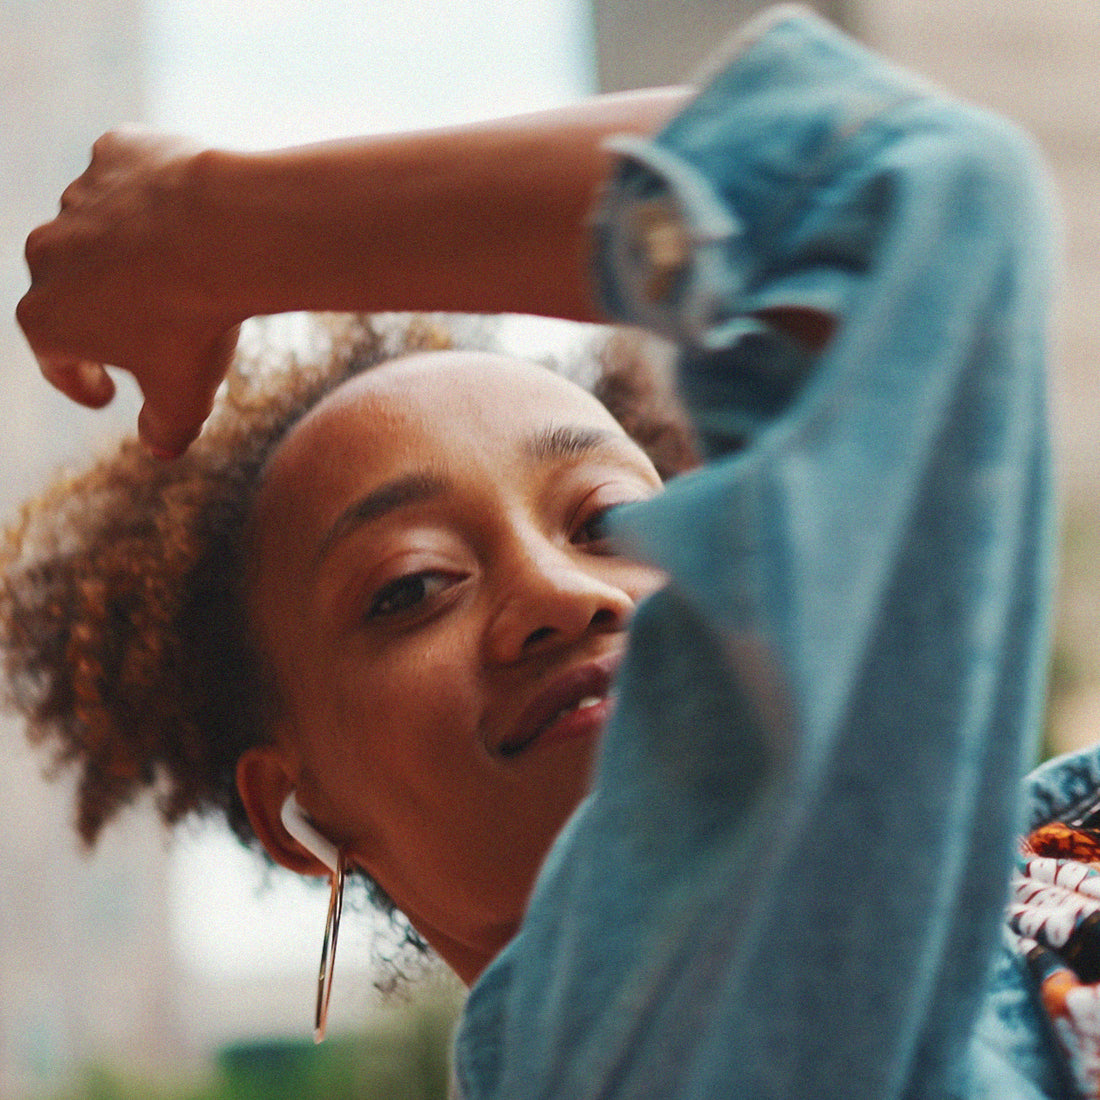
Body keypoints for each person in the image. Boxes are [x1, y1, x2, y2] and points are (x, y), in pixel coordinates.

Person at [6, 6, 1063, 1097]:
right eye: (411, 587)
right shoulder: (668, 1036)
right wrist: (209, 227)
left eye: (607, 522)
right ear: (296, 809)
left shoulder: (948, 869)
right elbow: (893, 200)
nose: (559, 594)